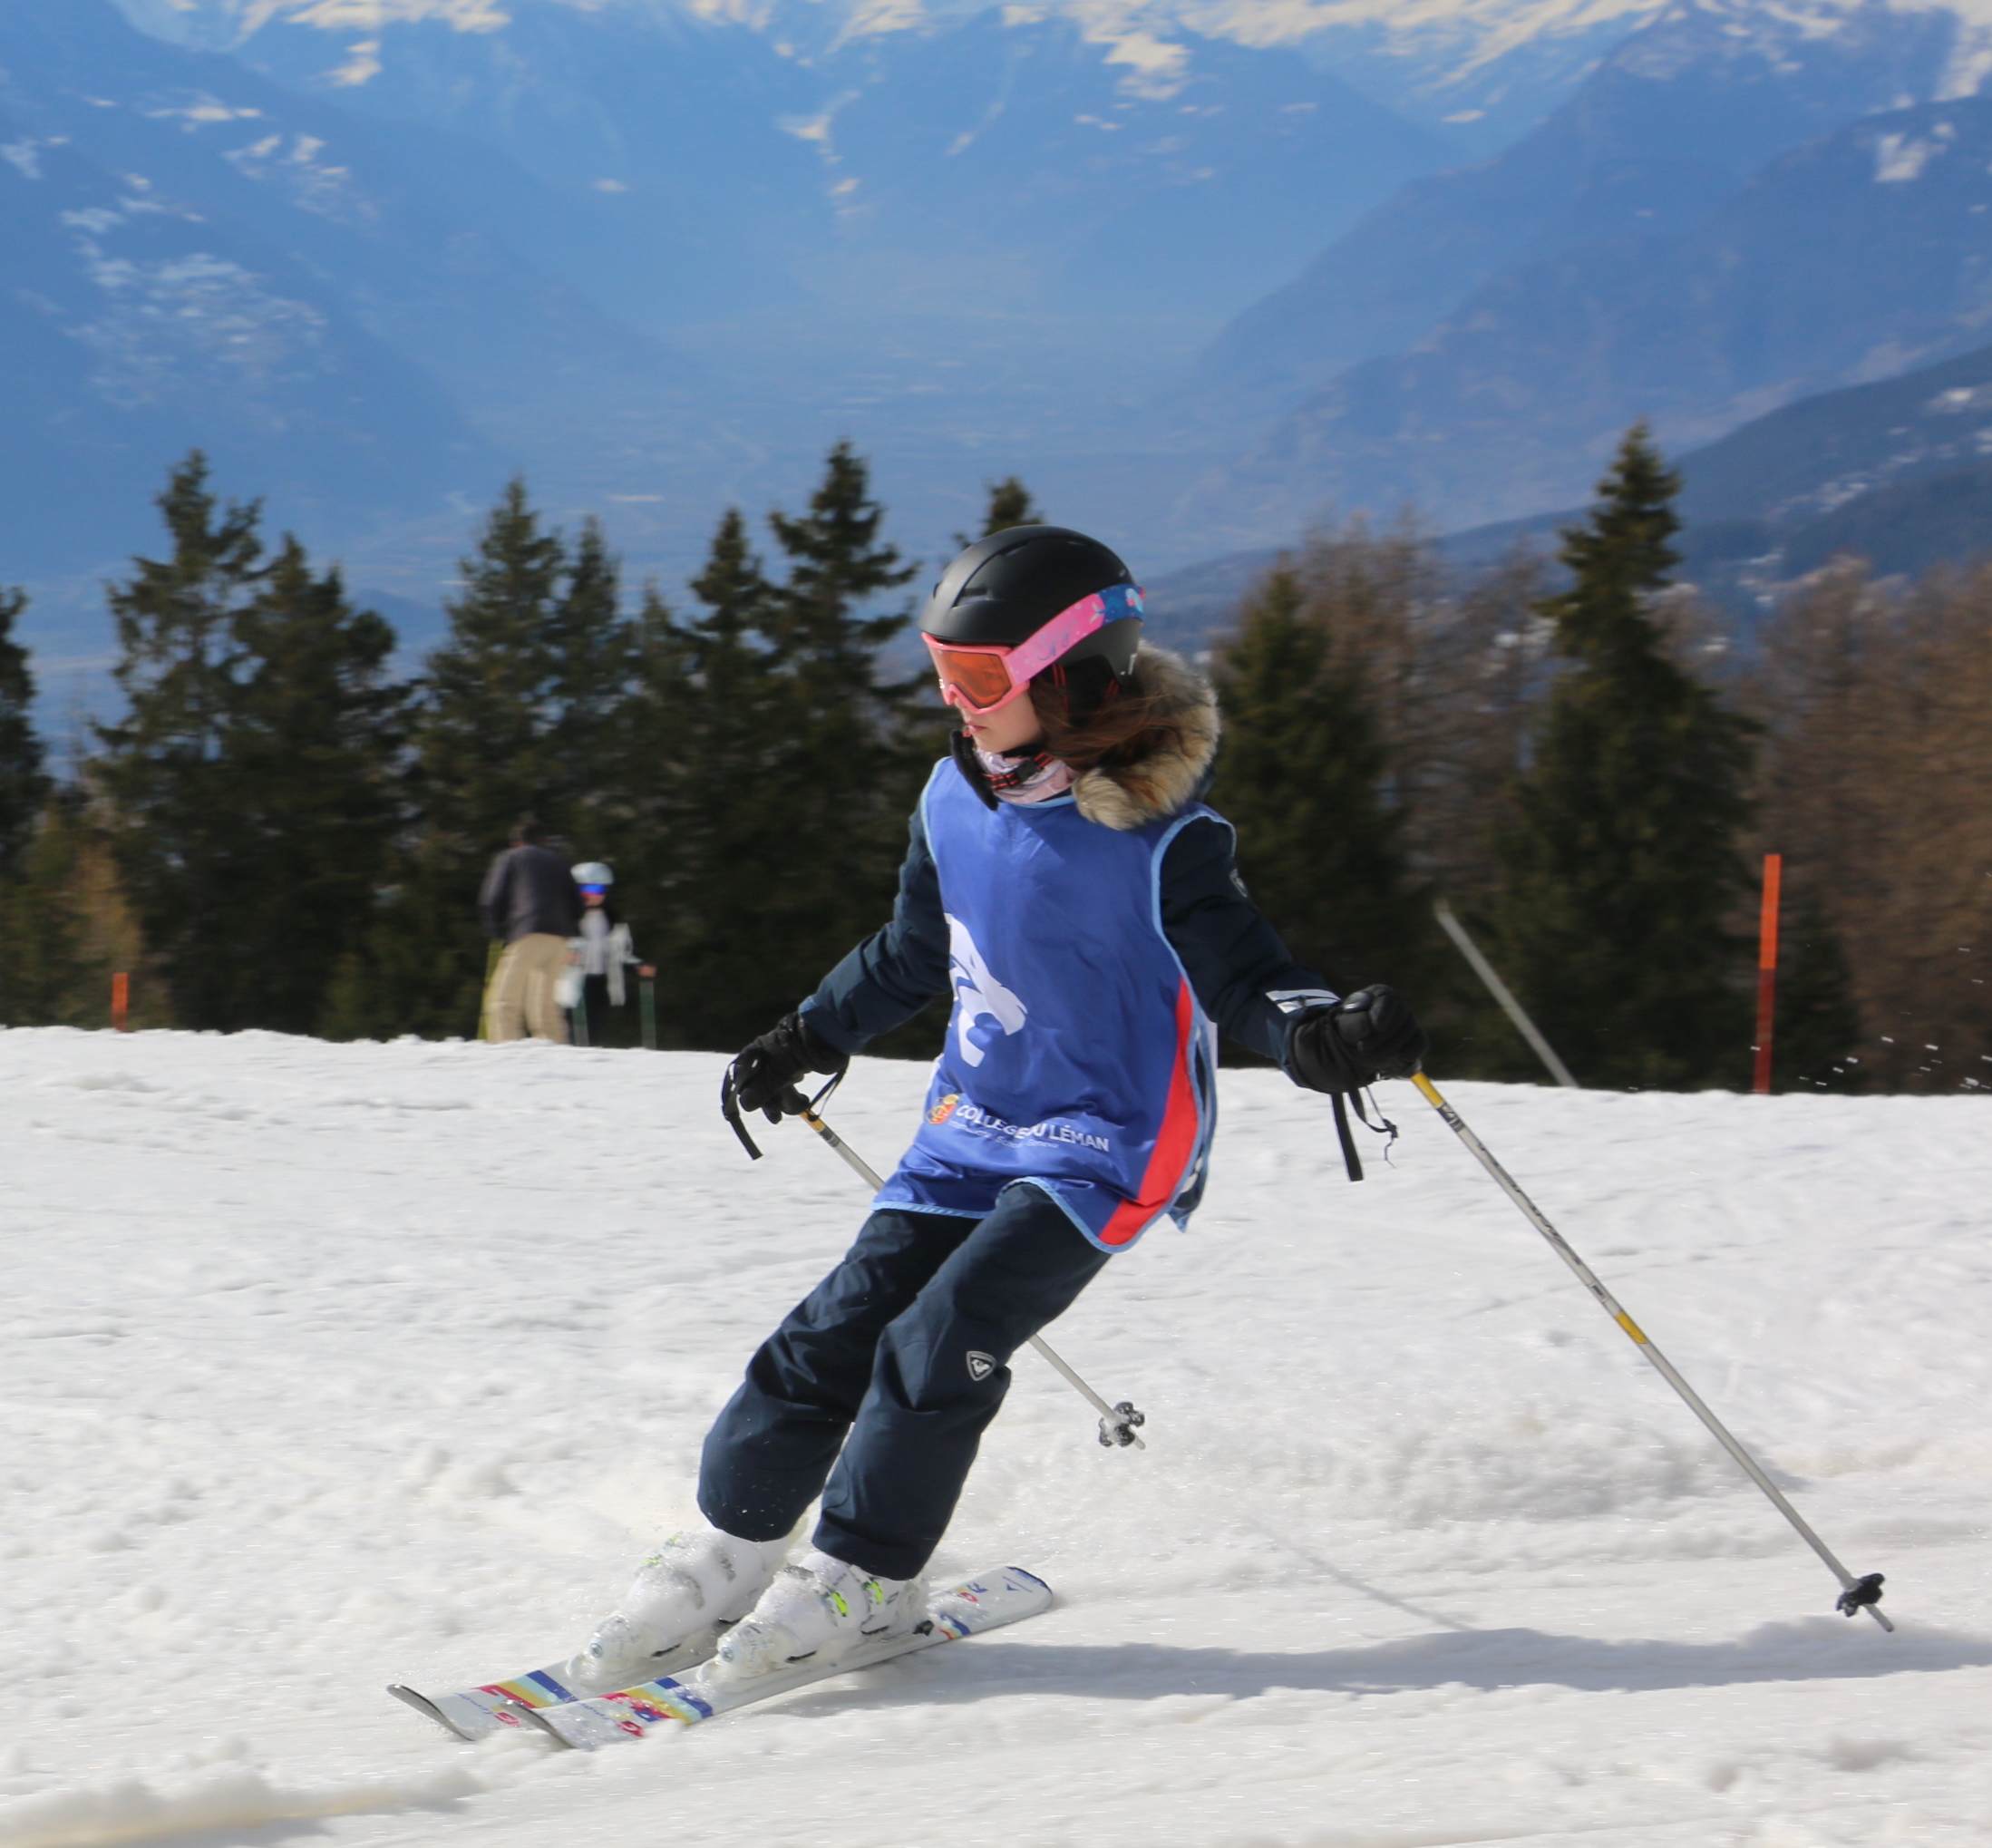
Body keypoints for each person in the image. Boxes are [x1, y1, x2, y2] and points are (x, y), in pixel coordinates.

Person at [568, 526, 1427, 1693]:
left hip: (1106, 1149)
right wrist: (810, 1033)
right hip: (969, 1129)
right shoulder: (951, 798)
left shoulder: (1162, 840)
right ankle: (725, 1552)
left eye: (978, 680)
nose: (954, 703)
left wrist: (1318, 1033)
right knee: (831, 1331)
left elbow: (1245, 978)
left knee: (942, 1335)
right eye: (942, 673)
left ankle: (868, 1580)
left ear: (1068, 680)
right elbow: (915, 950)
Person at [478, 817, 582, 1044]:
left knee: (504, 1001)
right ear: (543, 841)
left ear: (517, 842)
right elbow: (578, 904)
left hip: (528, 932)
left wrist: (497, 931)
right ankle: (556, 1053)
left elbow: (492, 898)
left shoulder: (511, 857)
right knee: (545, 1007)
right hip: (560, 939)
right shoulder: (559, 861)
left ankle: (506, 1052)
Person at [566, 861, 646, 1048]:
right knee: (570, 1026)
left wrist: (637, 966)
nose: (592, 894)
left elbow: (623, 951)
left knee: (594, 1026)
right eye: (585, 889)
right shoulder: (567, 915)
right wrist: (567, 954)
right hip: (572, 980)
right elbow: (555, 945)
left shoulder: (612, 917)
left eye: (597, 889)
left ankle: (591, 1059)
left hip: (600, 980)